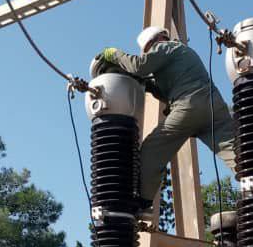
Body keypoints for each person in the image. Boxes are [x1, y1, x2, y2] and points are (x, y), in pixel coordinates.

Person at [99, 27, 237, 211]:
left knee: (152, 148)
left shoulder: (164, 47)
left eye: (148, 51)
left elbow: (139, 66)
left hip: (190, 105)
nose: (149, 54)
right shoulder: (182, 54)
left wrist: (113, 54)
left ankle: (143, 200)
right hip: (214, 107)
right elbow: (167, 91)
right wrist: (146, 84)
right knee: (233, 149)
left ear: (154, 41)